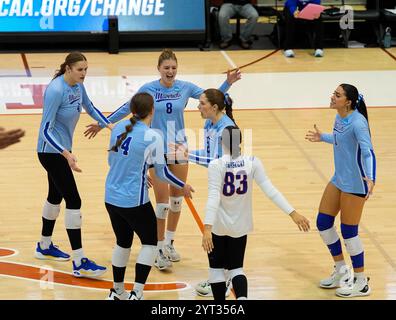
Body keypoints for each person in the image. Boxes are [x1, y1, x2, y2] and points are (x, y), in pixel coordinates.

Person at [84, 49, 241, 272]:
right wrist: (102, 124)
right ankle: (157, 248)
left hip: (179, 147)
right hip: (155, 148)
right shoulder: (148, 89)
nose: (170, 71)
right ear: (159, 69)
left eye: (173, 68)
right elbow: (127, 109)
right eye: (166, 68)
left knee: (178, 200)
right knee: (162, 202)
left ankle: (169, 243)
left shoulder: (185, 87)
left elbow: (212, 98)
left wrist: (228, 83)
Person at [201, 126, 310, 300]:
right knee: (237, 269)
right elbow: (270, 191)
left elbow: (213, 198)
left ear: (222, 143)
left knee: (216, 270)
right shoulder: (252, 162)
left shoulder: (216, 165)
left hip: (219, 226)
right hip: (240, 226)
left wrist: (207, 228)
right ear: (241, 142)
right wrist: (293, 213)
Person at [105, 93, 194, 300]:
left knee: (122, 242)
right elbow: (162, 174)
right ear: (152, 111)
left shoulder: (117, 127)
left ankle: (117, 291)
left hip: (110, 196)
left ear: (132, 109)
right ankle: (137, 292)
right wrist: (183, 185)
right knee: (150, 243)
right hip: (133, 201)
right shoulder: (153, 136)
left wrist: (139, 171)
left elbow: (113, 160)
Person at [36, 52, 112, 278]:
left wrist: (110, 127)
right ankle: (79, 261)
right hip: (50, 151)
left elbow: (91, 108)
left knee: (54, 196)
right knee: (74, 199)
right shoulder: (55, 90)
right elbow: (44, 131)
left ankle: (44, 245)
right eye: (80, 69)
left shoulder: (78, 87)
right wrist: (65, 153)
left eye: (86, 69)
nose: (84, 73)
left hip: (62, 152)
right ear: (68, 69)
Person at [305, 84, 376, 297]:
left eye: (337, 95)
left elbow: (368, 152)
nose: (332, 97)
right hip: (339, 179)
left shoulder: (358, 123)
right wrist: (323, 137)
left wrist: (371, 178)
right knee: (324, 222)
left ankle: (361, 282)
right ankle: (341, 270)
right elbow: (341, 140)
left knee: (348, 232)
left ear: (348, 102)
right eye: (333, 93)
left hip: (356, 182)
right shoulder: (340, 117)